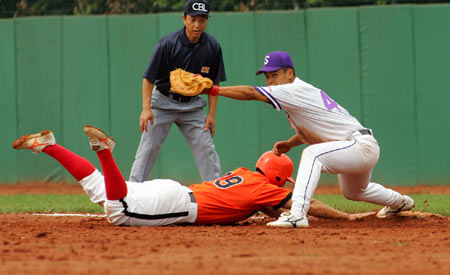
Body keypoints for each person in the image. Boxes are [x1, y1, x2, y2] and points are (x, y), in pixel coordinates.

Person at [206, 50, 415, 228]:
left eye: (275, 75)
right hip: (357, 146)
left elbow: (251, 93)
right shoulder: (296, 93)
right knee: (354, 191)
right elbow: (312, 133)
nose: (270, 81)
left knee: (312, 155)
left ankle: (297, 214)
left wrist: (213, 89)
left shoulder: (294, 89)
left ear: (290, 73)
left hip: (360, 146)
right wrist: (290, 143)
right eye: (267, 77)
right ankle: (400, 202)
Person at [11, 125, 372, 227]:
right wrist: (347, 216)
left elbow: (263, 206)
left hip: (175, 191)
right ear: (281, 180)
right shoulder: (267, 191)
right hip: (176, 203)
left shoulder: (247, 174)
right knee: (117, 208)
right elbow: (306, 205)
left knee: (99, 189)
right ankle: (104, 151)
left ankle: (48, 146)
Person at [130, 0, 226, 183]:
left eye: (202, 20)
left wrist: (212, 114)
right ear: (184, 19)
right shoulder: (167, 44)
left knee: (206, 149)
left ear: (207, 21)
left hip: (193, 106)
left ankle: (218, 193)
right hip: (163, 102)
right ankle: (132, 193)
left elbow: (214, 84)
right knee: (148, 148)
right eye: (193, 19)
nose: (197, 24)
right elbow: (148, 78)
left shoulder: (213, 46)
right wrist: (146, 108)